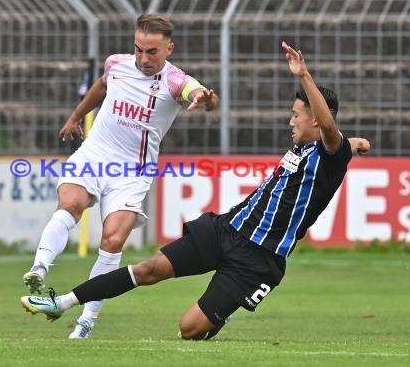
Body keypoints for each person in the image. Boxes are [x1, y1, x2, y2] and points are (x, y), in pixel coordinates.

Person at [20, 41, 371, 340]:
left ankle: (223, 310)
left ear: (315, 120)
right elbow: (339, 140)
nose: (290, 121)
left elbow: (331, 132)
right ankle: (62, 302)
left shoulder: (330, 150)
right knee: (149, 269)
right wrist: (356, 142)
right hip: (227, 229)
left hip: (258, 260)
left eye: (297, 115)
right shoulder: (311, 148)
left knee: (189, 329)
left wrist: (304, 77)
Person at [23, 13, 219, 339]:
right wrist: (75, 118)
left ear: (169, 48)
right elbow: (101, 87)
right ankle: (39, 268)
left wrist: (206, 99)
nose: (143, 58)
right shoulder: (116, 64)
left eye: (152, 52)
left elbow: (196, 92)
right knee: (69, 204)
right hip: (95, 156)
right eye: (139, 49)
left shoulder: (173, 81)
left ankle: (86, 319)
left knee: (112, 240)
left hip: (132, 172)